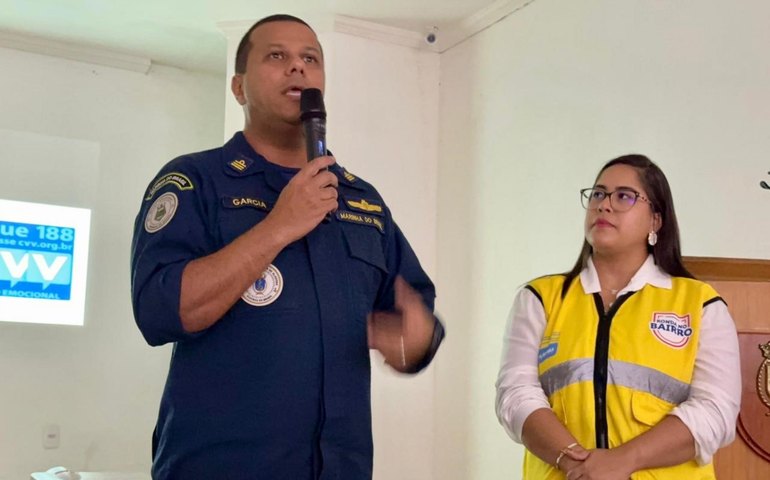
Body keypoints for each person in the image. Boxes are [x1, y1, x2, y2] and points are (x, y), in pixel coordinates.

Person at [130, 14, 444, 480]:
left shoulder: (362, 201)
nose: (297, 68)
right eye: (277, 56)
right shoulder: (196, 181)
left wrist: (413, 340)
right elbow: (159, 311)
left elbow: (412, 319)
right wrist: (278, 226)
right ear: (238, 87)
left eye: (310, 59)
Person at [495, 154, 740, 479]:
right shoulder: (540, 299)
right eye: (598, 194)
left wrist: (624, 460)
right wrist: (575, 464)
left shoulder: (700, 305)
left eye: (624, 196)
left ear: (655, 220)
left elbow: (716, 412)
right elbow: (515, 396)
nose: (604, 205)